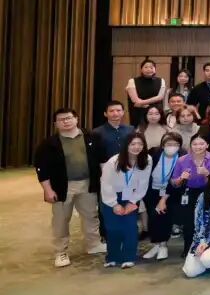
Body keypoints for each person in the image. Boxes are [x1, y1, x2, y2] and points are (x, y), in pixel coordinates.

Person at [35, 108, 107, 267]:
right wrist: (48, 190)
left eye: (69, 118)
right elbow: (42, 169)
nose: (66, 121)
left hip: (88, 184)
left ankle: (93, 244)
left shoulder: (91, 137)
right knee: (61, 220)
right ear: (56, 124)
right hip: (62, 187)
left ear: (76, 119)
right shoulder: (49, 144)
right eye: (61, 119)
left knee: (91, 216)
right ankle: (61, 252)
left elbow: (102, 160)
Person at [99, 133, 151, 268]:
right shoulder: (113, 162)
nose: (136, 147)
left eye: (140, 144)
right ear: (126, 145)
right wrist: (114, 204)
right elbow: (106, 184)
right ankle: (112, 257)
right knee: (112, 228)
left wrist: (133, 201)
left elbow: (143, 183)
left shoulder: (147, 159)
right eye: (133, 144)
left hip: (132, 195)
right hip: (111, 196)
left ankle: (129, 257)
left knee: (130, 227)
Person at [172, 135, 210, 254]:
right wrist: (181, 178)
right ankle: (188, 247)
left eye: (201, 144)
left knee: (207, 219)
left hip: (208, 191)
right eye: (194, 144)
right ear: (190, 145)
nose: (198, 146)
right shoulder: (182, 160)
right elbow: (174, 183)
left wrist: (207, 174)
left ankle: (207, 247)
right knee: (189, 221)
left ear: (207, 145)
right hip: (189, 192)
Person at [144, 132, 183, 261]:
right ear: (162, 145)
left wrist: (164, 198)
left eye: (175, 144)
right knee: (152, 217)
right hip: (152, 190)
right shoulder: (154, 153)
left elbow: (178, 180)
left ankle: (163, 245)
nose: (172, 147)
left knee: (164, 217)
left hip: (171, 192)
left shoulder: (182, 157)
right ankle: (156, 245)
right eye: (168, 144)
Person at [126, 59, 166, 126]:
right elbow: (135, 100)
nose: (149, 69)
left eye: (151, 67)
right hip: (138, 113)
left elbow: (160, 97)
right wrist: (148, 104)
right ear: (141, 69)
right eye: (146, 67)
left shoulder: (161, 80)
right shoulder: (132, 81)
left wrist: (142, 103)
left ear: (155, 69)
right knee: (139, 130)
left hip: (155, 113)